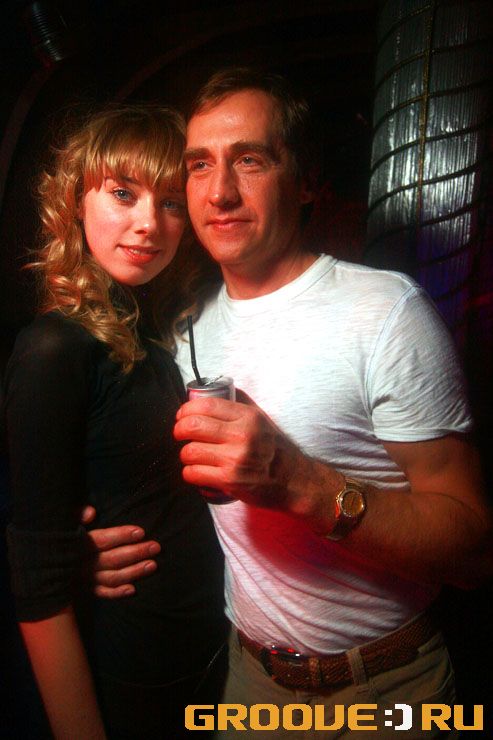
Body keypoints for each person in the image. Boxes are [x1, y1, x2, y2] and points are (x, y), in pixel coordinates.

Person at [87, 69, 492, 738]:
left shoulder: (385, 312)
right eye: (199, 165)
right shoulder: (182, 325)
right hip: (248, 682)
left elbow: (473, 549)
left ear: (304, 181)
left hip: (387, 687)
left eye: (250, 160)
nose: (220, 191)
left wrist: (299, 481)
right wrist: (86, 547)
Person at [4, 104, 227, 739]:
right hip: (137, 677)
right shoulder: (54, 348)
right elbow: (37, 584)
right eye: (123, 194)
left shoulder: (161, 330)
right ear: (76, 202)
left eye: (171, 202)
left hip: (215, 657)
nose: (149, 223)